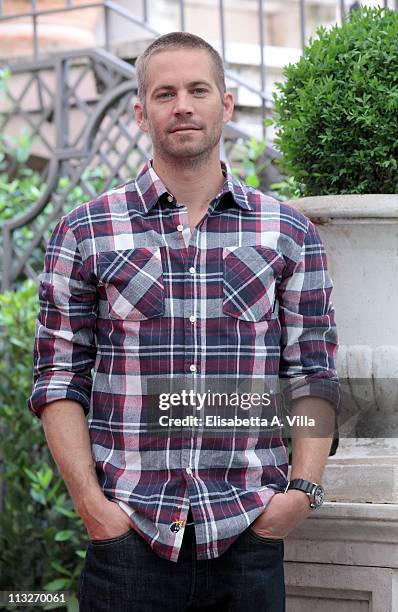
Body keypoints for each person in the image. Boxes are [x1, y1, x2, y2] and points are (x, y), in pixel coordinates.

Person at [27, 31, 339, 612]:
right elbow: (58, 379)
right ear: (141, 112)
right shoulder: (86, 231)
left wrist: (300, 493)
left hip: (249, 533)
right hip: (129, 538)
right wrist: (95, 509)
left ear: (226, 103)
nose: (183, 106)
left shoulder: (288, 233)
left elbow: (311, 371)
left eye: (199, 90)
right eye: (165, 93)